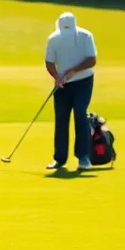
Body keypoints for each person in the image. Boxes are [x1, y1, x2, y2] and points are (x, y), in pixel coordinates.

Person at [44, 12, 98, 171]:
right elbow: (49, 62)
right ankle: (59, 159)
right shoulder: (53, 39)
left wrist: (73, 70)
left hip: (84, 81)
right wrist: (57, 77)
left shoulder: (86, 36)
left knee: (80, 112)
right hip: (62, 84)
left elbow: (92, 59)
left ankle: (83, 157)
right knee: (61, 118)